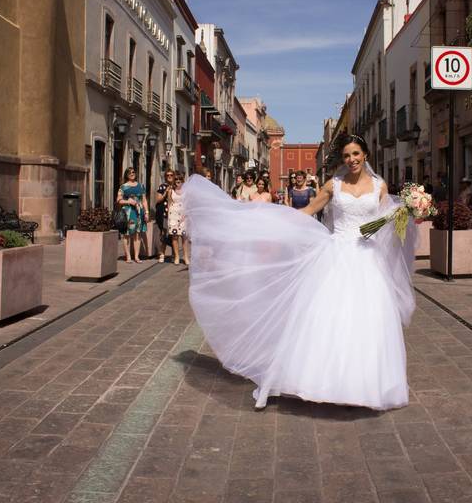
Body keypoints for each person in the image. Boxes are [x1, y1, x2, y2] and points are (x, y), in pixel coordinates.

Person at [182, 134, 417, 410]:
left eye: (355, 154)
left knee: (367, 319)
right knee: (325, 317)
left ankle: (361, 385)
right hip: (336, 255)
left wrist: (406, 211)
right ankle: (318, 381)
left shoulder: (379, 186)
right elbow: (307, 211)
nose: (351, 160)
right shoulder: (333, 185)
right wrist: (270, 219)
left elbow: (386, 220)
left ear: (365, 154)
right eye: (346, 156)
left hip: (368, 260)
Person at [117, 168, 148, 264]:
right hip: (128, 213)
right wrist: (128, 201)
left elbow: (144, 200)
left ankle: (136, 257)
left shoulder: (140, 186)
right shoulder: (123, 187)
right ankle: (128, 257)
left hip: (139, 213)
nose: (132, 174)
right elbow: (118, 200)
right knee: (126, 234)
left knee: (138, 234)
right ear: (126, 175)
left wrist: (147, 212)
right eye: (129, 173)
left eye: (133, 172)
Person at [167, 173, 190, 265]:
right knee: (175, 236)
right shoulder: (171, 191)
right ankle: (176, 256)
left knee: (184, 237)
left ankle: (185, 256)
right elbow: (169, 203)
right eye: (176, 179)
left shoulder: (186, 191)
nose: (178, 181)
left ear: (182, 181)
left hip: (183, 215)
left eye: (180, 179)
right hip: (173, 215)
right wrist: (169, 216)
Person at [154, 170, 176, 263]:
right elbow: (158, 200)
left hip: (175, 214)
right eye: (167, 175)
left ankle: (174, 254)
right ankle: (162, 253)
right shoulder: (162, 186)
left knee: (174, 235)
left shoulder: (177, 187)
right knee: (164, 233)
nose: (169, 176)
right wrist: (165, 193)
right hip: (165, 214)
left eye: (171, 175)